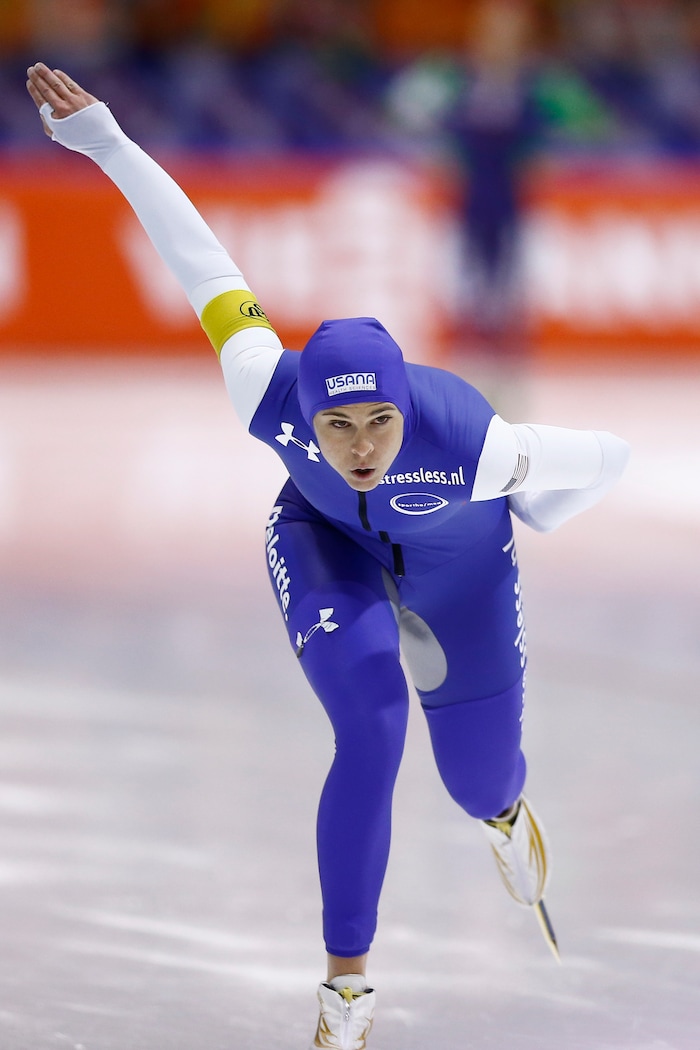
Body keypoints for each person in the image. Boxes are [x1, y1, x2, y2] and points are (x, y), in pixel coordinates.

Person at [26, 62, 629, 1050]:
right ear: (306, 408)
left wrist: (534, 513)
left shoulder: (477, 443)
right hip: (326, 549)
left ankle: (503, 813)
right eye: (337, 424)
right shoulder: (266, 388)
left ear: (408, 409)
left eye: (379, 423)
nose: (358, 446)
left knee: (476, 780)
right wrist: (104, 141)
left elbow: (609, 456)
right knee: (373, 723)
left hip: (460, 567)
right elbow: (201, 260)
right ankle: (346, 993)